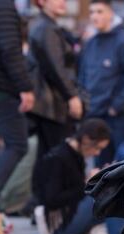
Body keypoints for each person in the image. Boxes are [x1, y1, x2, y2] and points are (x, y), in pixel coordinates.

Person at [33, 119, 121, 234]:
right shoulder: (57, 157)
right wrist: (87, 184)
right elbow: (51, 199)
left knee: (107, 204)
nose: (97, 153)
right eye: (97, 148)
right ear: (86, 139)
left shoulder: (75, 154)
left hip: (69, 216)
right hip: (56, 225)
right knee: (107, 194)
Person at [78, 0, 124, 167]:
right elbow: (83, 77)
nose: (94, 16)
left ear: (110, 14)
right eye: (92, 12)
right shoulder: (91, 43)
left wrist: (116, 107)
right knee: (100, 165)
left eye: (99, 11)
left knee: (122, 164)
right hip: (95, 114)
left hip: (119, 115)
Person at [29, 0, 83, 159]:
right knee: (57, 156)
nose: (62, 2)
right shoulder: (46, 28)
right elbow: (55, 67)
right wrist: (71, 96)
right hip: (51, 104)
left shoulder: (45, 25)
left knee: (48, 156)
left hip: (49, 102)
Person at [0, 0, 35, 205]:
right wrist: (25, 87)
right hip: (3, 87)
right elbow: (10, 48)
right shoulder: (3, 5)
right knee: (17, 143)